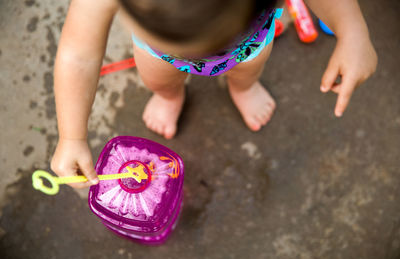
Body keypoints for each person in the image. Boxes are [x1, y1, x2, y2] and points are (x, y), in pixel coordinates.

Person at [51, 0, 377, 188]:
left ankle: (243, 86)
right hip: (159, 56)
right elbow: (77, 55)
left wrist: (353, 31)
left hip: (247, 46)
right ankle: (169, 96)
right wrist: (71, 136)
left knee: (247, 68)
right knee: (160, 79)